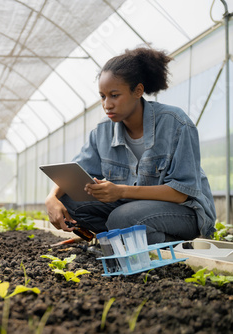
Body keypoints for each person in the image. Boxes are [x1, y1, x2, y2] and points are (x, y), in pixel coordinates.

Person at [45, 47, 216, 245]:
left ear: (138, 91)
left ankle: (176, 245)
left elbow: (180, 193)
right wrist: (52, 198)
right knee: (68, 202)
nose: (107, 104)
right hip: (132, 208)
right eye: (102, 96)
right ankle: (118, 241)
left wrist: (120, 191)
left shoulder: (175, 123)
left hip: (185, 211)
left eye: (114, 95)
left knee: (123, 218)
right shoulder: (103, 131)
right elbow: (74, 171)